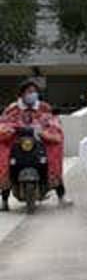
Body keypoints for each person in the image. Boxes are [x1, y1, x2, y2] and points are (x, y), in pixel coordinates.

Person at [0, 80, 70, 211]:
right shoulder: (13, 109)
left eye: (34, 92)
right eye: (29, 92)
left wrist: (44, 131)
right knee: (4, 156)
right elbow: (4, 123)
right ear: (21, 94)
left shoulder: (44, 107)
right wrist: (13, 129)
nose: (32, 94)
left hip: (40, 141)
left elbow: (53, 122)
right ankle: (4, 200)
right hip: (17, 142)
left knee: (54, 153)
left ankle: (61, 196)